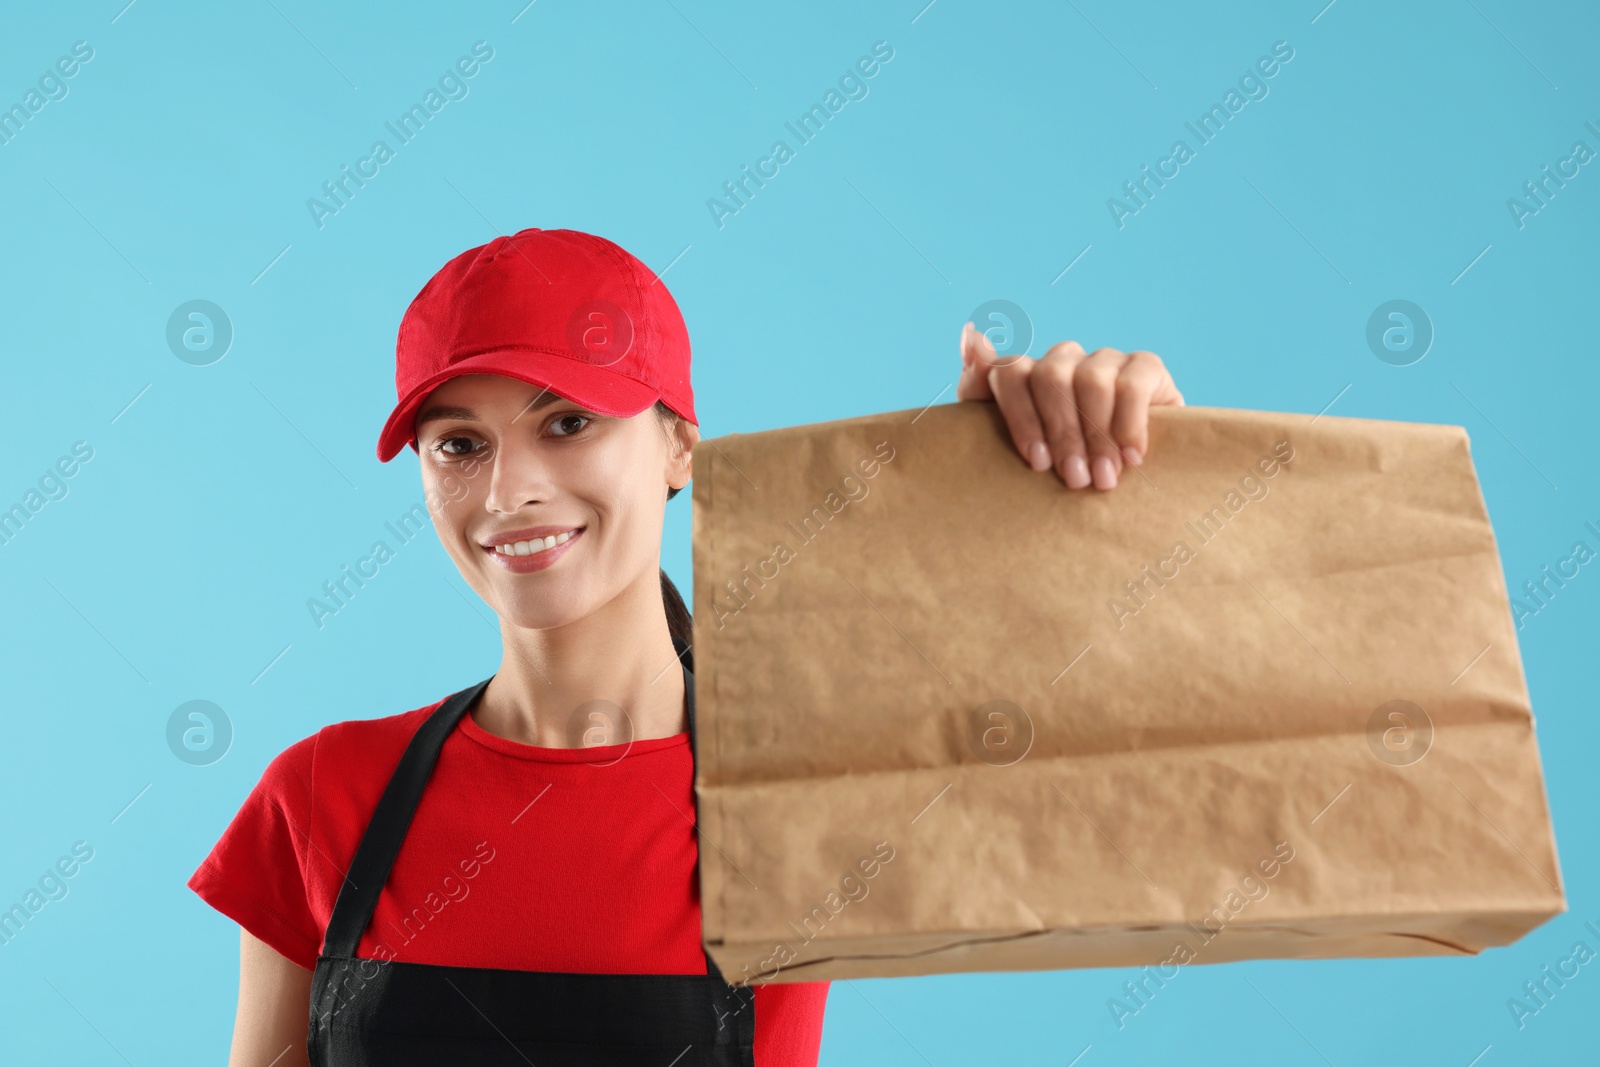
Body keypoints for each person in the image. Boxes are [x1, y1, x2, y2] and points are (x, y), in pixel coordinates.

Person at [188, 227, 1184, 1066]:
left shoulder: (810, 785)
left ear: (679, 443)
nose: (508, 491)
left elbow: (1142, 791)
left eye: (568, 422)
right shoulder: (324, 793)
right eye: (459, 443)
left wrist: (1123, 488)